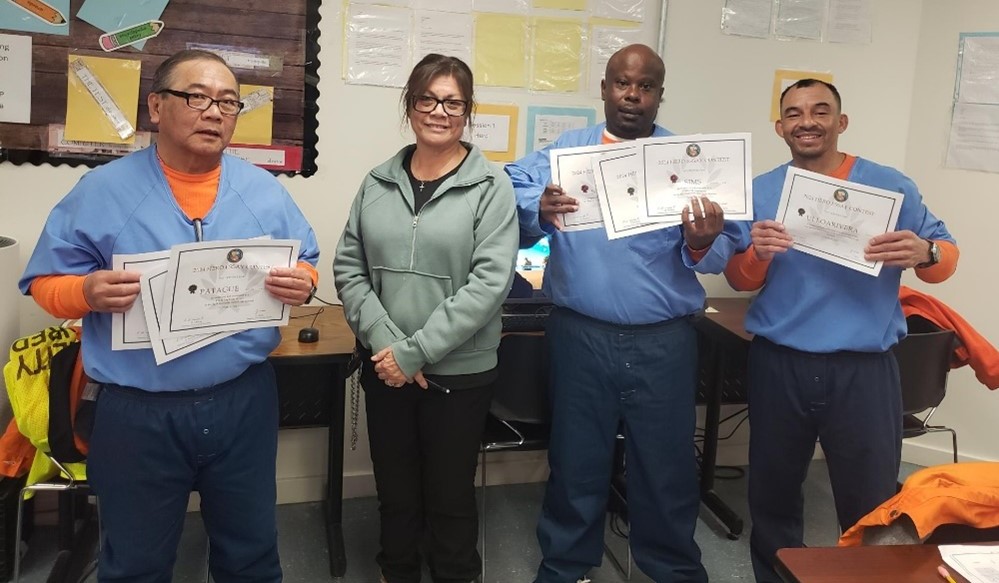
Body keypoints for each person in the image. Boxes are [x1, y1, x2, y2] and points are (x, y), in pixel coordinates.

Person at [18, 49, 319, 582]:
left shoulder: (262, 191)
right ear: (156, 107)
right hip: (138, 413)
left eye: (229, 102)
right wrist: (86, 290)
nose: (215, 112)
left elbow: (307, 262)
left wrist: (304, 283)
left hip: (241, 400)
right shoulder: (104, 192)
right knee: (136, 564)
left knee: (251, 555)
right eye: (196, 96)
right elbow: (43, 284)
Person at [505, 43, 745, 583]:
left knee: (666, 467)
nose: (632, 96)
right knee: (576, 461)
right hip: (579, 335)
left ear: (660, 94)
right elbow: (507, 186)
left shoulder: (689, 162)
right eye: (621, 83)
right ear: (605, 88)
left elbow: (732, 243)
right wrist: (536, 207)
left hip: (664, 341)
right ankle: (566, 566)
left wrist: (704, 241)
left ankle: (673, 569)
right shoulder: (568, 150)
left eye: (646, 86)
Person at [724, 78, 959, 583]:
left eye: (820, 111)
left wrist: (926, 253)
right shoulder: (761, 190)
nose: (806, 121)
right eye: (794, 113)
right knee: (773, 493)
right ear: (780, 126)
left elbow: (944, 257)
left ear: (841, 122)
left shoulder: (890, 185)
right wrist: (756, 254)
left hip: (863, 370)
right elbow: (739, 276)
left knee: (871, 502)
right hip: (780, 363)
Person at [333, 53, 518, 583]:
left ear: (467, 110)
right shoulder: (376, 182)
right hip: (386, 368)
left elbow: (488, 285)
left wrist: (413, 352)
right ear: (410, 105)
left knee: (450, 498)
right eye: (428, 99)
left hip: (458, 376)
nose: (440, 111)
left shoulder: (491, 187)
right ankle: (398, 573)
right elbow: (350, 267)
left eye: (453, 102)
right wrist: (387, 346)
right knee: (395, 493)